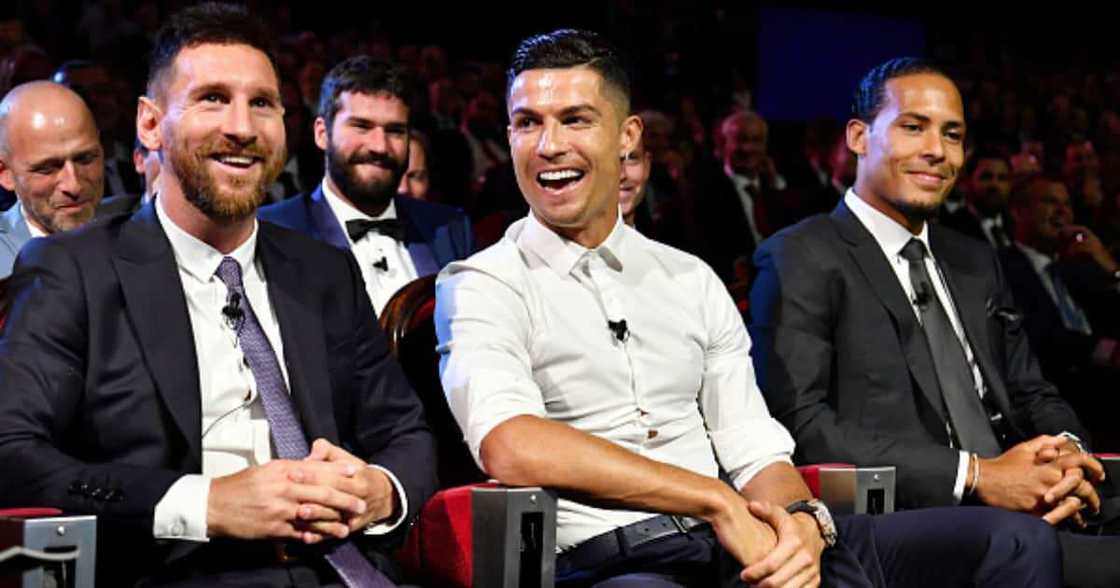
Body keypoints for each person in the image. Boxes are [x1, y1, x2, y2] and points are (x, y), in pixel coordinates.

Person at [436, 31, 1061, 588]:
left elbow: (752, 446)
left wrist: (801, 525)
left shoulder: (689, 278)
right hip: (621, 560)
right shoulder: (483, 282)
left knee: (1011, 542)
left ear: (627, 138)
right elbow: (511, 443)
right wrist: (712, 500)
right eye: (527, 123)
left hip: (742, 541)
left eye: (575, 120)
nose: (549, 145)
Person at [0, 4, 437, 585]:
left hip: (342, 570)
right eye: (212, 98)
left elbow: (406, 433)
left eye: (262, 103)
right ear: (150, 124)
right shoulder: (72, 271)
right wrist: (204, 504)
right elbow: (14, 453)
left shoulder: (324, 272)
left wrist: (378, 491)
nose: (242, 128)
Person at [750, 56, 1120, 588]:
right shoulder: (802, 255)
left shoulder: (975, 260)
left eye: (952, 134)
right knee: (1022, 543)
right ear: (858, 137)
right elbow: (802, 423)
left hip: (1026, 503)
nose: (937, 151)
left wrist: (1067, 456)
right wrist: (978, 476)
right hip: (906, 515)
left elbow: (1031, 390)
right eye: (913, 127)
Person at [260, 56, 473, 315]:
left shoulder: (449, 227)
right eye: (361, 126)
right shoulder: (273, 230)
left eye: (395, 131)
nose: (380, 146)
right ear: (322, 134)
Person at [0, 81, 104, 277]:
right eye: (47, 168)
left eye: (85, 159)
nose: (73, 186)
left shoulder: (134, 238)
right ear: (5, 174)